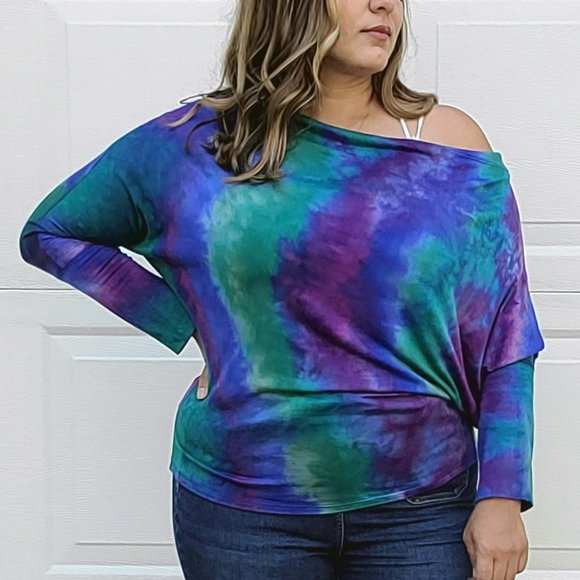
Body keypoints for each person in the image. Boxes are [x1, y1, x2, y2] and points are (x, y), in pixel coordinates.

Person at [19, 0, 545, 578]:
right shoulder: (193, 146)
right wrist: (191, 322)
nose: (385, 5)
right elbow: (52, 232)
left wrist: (503, 494)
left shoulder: (449, 145)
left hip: (421, 506)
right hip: (243, 509)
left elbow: (506, 329)